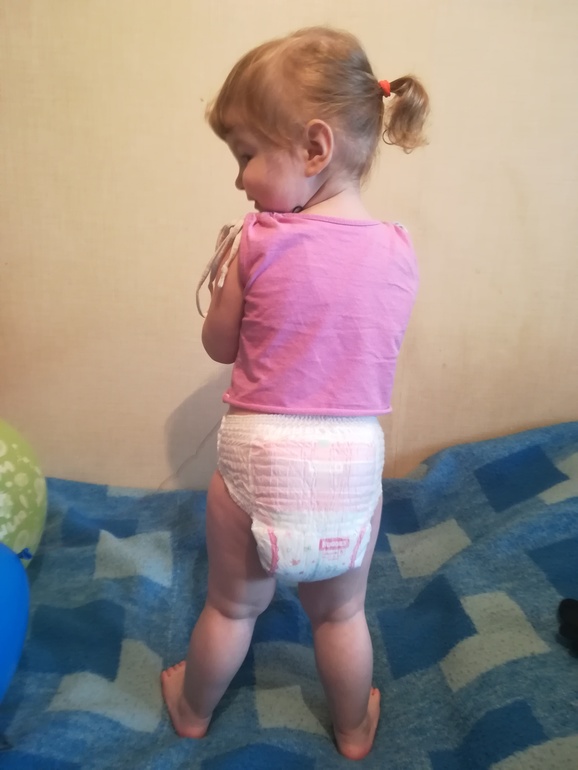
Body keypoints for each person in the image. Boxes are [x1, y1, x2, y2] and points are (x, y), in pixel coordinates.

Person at [161, 25, 429, 761]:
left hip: (259, 453)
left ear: (315, 148)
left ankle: (191, 709)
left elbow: (220, 346)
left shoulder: (257, 240)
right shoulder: (399, 251)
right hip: (352, 460)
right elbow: (367, 348)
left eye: (245, 155)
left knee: (230, 606)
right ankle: (353, 728)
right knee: (341, 616)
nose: (239, 179)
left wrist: (229, 280)